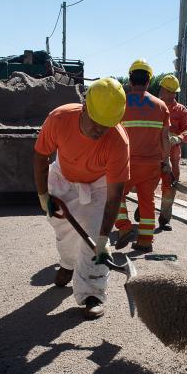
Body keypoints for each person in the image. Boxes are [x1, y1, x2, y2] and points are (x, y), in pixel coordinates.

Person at [33, 77, 129, 319]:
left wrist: (105, 236)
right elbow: (40, 156)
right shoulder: (60, 118)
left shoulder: (118, 140)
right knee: (64, 231)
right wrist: (43, 195)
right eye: (96, 123)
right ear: (84, 107)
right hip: (63, 177)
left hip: (98, 184)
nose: (100, 131)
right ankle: (67, 263)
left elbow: (115, 195)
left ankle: (93, 293)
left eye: (106, 125)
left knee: (94, 235)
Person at [114, 59, 170, 252]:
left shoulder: (120, 103)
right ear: (148, 81)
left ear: (130, 80)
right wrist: (167, 162)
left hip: (125, 163)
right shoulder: (162, 106)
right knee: (147, 200)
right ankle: (145, 241)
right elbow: (165, 139)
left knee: (115, 196)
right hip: (152, 164)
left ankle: (124, 227)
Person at [157, 74, 187, 230]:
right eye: (167, 91)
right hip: (153, 153)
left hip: (172, 157)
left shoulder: (181, 111)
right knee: (145, 183)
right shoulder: (155, 106)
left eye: (171, 92)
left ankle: (165, 218)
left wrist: (178, 138)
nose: (169, 94)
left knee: (169, 186)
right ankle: (143, 208)